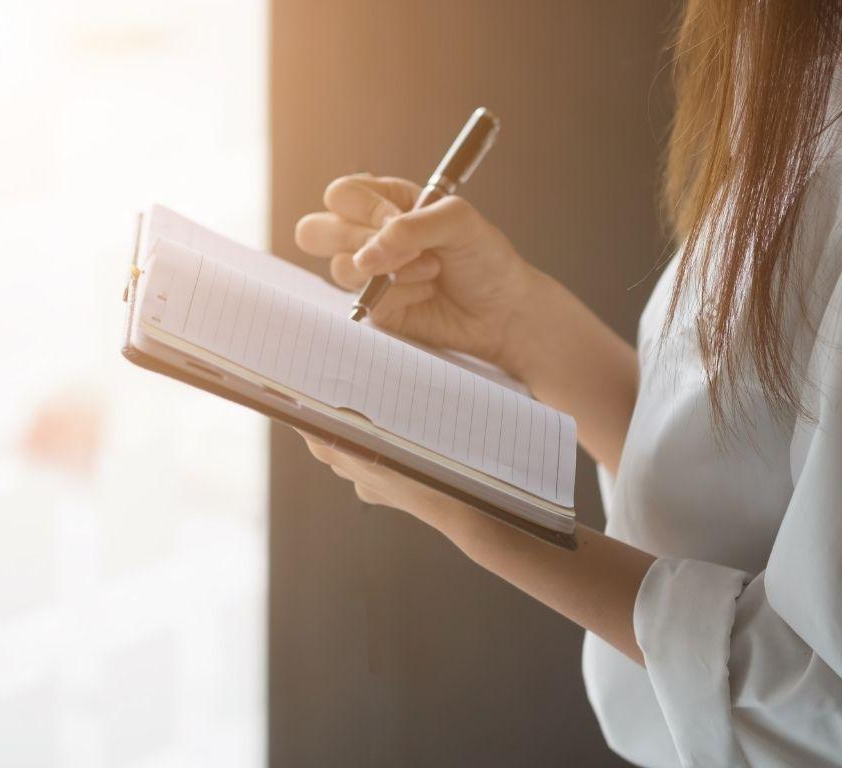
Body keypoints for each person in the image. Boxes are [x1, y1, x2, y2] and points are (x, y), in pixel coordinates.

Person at [293, 2, 842, 766]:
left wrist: (470, 504)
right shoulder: (794, 47)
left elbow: (823, 704)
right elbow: (743, 471)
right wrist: (517, 323)